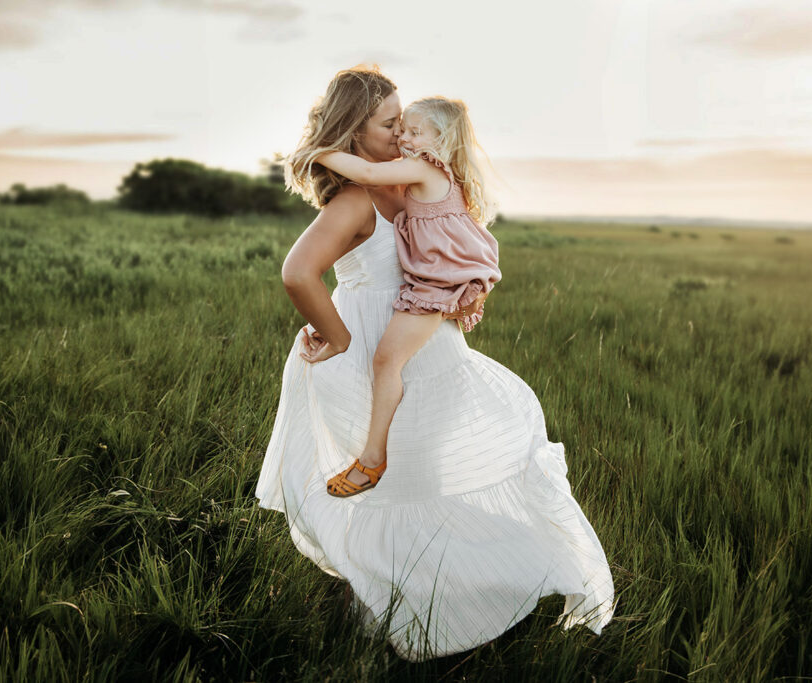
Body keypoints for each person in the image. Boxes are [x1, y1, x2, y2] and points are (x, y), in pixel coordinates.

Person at [255, 65, 615, 661]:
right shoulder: (355, 199)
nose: (401, 133)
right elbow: (297, 272)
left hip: (430, 351)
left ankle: (441, 600)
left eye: (405, 122)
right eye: (390, 123)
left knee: (434, 477)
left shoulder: (413, 181)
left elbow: (448, 250)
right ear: (353, 133)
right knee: (389, 489)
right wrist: (338, 337)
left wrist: (466, 293)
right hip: (371, 348)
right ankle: (388, 610)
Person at [309, 96, 502, 498]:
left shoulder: (423, 167)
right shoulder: (436, 172)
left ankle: (372, 458)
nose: (404, 137)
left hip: (433, 287)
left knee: (386, 361)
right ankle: (379, 456)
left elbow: (364, 170)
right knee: (389, 363)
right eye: (401, 128)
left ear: (441, 138)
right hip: (436, 280)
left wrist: (318, 150)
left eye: (415, 131)